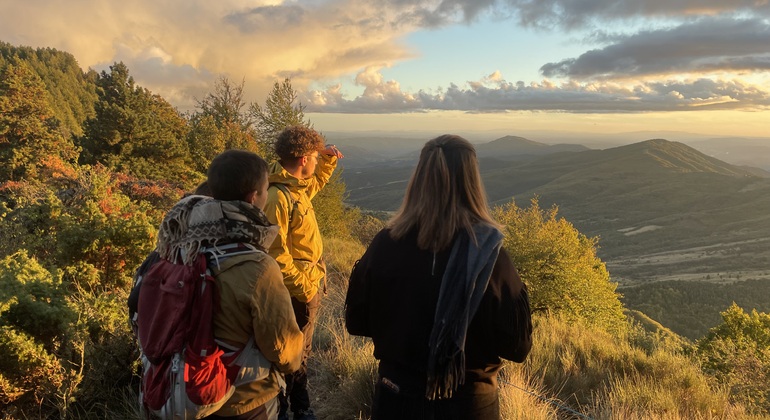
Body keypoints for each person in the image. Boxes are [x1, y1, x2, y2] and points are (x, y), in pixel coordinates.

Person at [344, 135, 533, 420]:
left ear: (418, 178)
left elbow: (356, 322)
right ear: (472, 182)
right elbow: (518, 348)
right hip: (468, 403)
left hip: (395, 398)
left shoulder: (384, 244)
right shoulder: (489, 255)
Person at [132, 149, 305, 420]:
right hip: (240, 402)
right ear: (253, 197)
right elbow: (284, 349)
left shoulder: (169, 250)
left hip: (170, 391)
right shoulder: (257, 267)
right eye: (265, 189)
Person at [263, 125, 343, 420]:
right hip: (295, 289)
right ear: (302, 159)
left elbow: (317, 181)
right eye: (313, 156)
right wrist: (305, 287)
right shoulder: (278, 197)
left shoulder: (295, 187)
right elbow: (275, 253)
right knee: (292, 353)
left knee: (301, 350)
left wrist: (327, 159)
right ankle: (291, 408)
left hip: (305, 284)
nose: (314, 161)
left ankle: (298, 405)